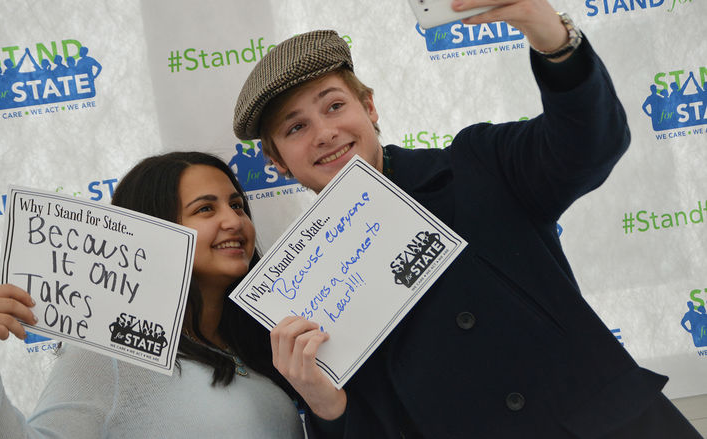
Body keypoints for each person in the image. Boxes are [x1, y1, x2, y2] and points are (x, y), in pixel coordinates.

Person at [232, 1, 702, 438]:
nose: (325, 132)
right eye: (296, 128)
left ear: (370, 108)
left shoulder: (477, 164)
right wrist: (324, 404)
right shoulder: (300, 292)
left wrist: (552, 39)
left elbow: (589, 144)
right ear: (278, 164)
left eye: (335, 105)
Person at [0, 152, 304, 438]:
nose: (234, 220)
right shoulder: (110, 357)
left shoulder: (259, 341)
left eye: (237, 204)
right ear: (154, 231)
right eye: (206, 208)